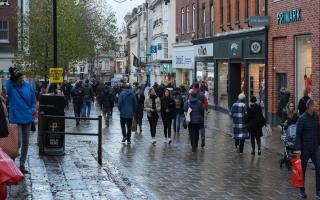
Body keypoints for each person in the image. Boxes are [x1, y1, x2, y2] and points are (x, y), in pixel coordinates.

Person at [5, 67, 36, 173]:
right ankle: (12, 163)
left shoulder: (28, 86)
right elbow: (5, 89)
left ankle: (22, 164)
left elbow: (33, 100)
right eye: (16, 80)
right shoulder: (12, 86)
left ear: (21, 78)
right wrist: (11, 78)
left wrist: (32, 110)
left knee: (26, 142)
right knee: (17, 141)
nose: (18, 81)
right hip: (15, 117)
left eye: (19, 79)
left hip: (27, 116)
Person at [294, 99, 320, 199]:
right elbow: (298, 135)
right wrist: (298, 149)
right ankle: (302, 190)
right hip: (304, 149)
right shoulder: (301, 119)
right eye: (315, 106)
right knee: (302, 170)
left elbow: (318, 132)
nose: (316, 107)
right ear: (309, 106)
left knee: (319, 168)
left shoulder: (316, 117)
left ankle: (318, 192)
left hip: (314, 148)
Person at [192, 82, 208, 148]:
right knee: (202, 126)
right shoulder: (202, 94)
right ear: (198, 87)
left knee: (194, 128)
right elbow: (206, 103)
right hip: (201, 112)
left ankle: (194, 141)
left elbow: (188, 102)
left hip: (193, 113)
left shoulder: (191, 94)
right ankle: (203, 138)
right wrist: (202, 107)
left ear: (193, 87)